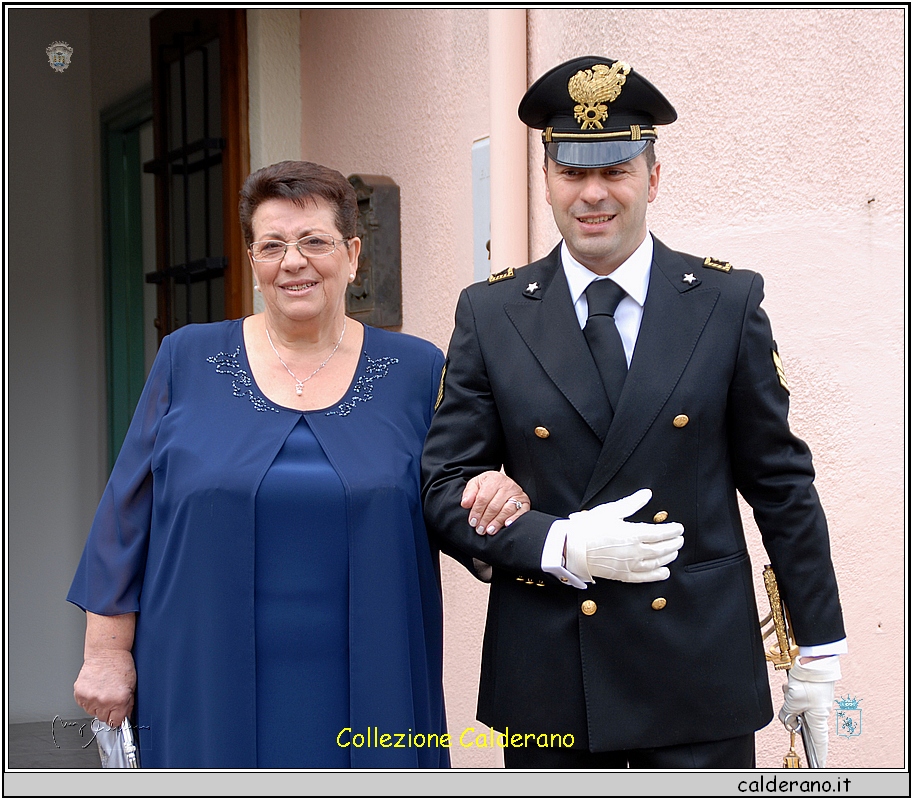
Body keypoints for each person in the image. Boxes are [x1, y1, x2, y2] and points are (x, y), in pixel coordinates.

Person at [422, 56, 846, 769]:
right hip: (553, 675)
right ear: (548, 180)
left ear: (652, 177)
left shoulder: (724, 302)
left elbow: (779, 482)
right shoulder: (491, 313)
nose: (592, 194)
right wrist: (557, 544)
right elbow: (442, 487)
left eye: (614, 170)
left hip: (695, 671)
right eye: (572, 173)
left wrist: (818, 648)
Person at [67, 160, 528, 769]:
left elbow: (452, 488)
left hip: (374, 673)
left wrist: (499, 494)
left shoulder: (416, 371)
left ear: (353, 254)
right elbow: (127, 513)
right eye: (273, 245)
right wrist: (105, 653)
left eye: (315, 241)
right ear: (253, 260)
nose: (293, 261)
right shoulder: (188, 357)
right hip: (203, 669)